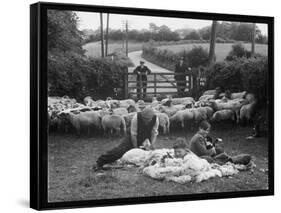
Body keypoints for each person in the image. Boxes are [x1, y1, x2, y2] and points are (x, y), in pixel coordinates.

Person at [93, 108, 159, 170]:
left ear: (152, 117)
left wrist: (151, 144)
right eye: (144, 118)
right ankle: (100, 162)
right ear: (141, 116)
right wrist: (135, 148)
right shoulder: (136, 118)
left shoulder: (155, 119)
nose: (146, 120)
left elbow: (154, 133)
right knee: (121, 149)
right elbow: (133, 134)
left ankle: (144, 165)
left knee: (149, 153)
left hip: (146, 137)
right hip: (132, 136)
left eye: (148, 119)